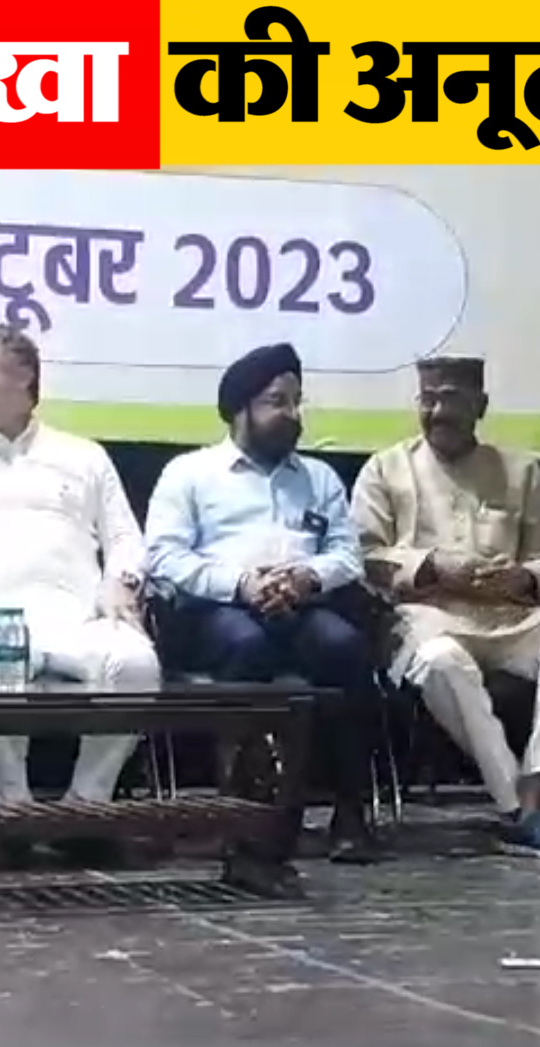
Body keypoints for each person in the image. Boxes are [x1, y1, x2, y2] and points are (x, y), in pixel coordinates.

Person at [0, 324, 159, 862]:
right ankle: (13, 811)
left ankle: (84, 809)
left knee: (136, 662)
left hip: (76, 618)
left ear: (25, 377)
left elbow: (125, 539)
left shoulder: (84, 455)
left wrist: (121, 580)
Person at [352, 356, 540, 859]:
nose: (437, 411)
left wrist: (525, 577)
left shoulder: (520, 471)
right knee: (441, 660)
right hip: (427, 618)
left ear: (481, 405)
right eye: (428, 399)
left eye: (450, 399)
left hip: (510, 617)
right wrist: (432, 567)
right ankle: (520, 809)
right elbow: (365, 556)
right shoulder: (385, 469)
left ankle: (536, 785)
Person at [143, 343, 384, 864]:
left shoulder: (318, 478)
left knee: (345, 648)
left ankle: (350, 814)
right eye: (278, 402)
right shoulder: (189, 474)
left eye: (297, 402)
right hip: (217, 612)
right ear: (240, 409)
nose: (292, 414)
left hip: (302, 606)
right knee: (247, 644)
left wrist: (305, 578)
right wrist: (242, 585)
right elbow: (165, 557)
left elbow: (347, 555)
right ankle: (243, 816)